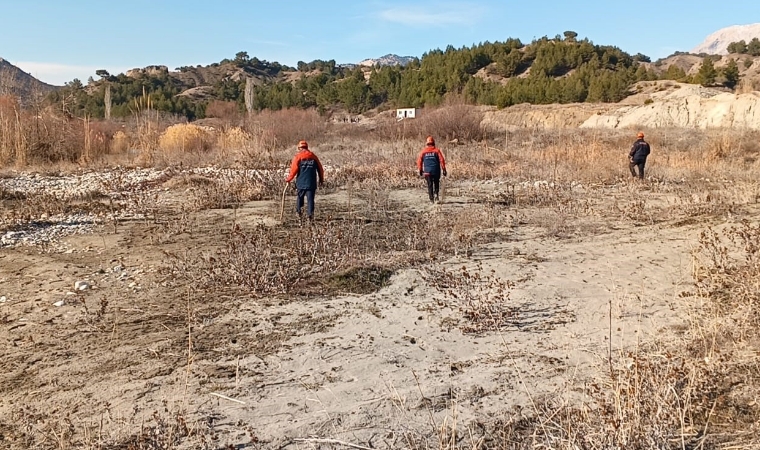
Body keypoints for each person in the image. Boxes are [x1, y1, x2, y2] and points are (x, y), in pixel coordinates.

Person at [285, 140, 324, 221]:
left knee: (300, 199)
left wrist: (289, 179)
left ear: (299, 148)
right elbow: (320, 169)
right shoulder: (313, 156)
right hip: (311, 183)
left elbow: (293, 170)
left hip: (301, 183)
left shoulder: (298, 157)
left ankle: (299, 215)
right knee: (310, 200)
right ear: (307, 147)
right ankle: (310, 217)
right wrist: (321, 179)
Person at [416, 136, 447, 203]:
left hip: (427, 172)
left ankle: (431, 199)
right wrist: (444, 169)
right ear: (433, 143)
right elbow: (442, 160)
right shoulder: (437, 151)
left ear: (427, 143)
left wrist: (420, 170)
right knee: (436, 182)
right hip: (436, 171)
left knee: (430, 184)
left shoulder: (423, 151)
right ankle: (436, 195)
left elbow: (419, 161)